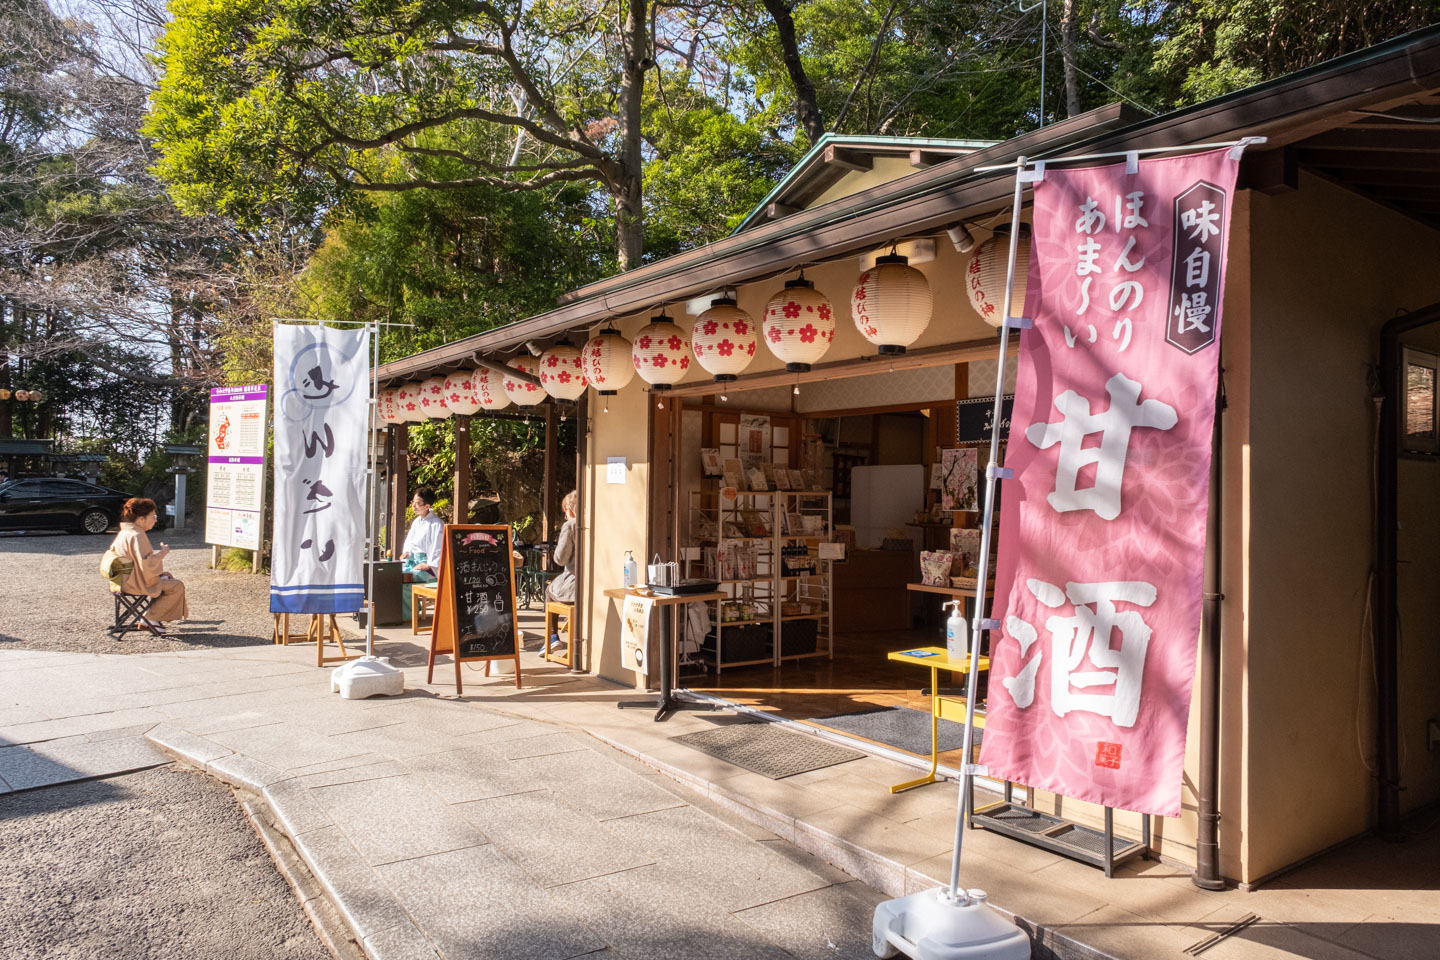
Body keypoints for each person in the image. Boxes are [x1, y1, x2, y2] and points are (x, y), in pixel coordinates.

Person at [105, 497, 188, 634]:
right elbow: (146, 565)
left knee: (167, 581)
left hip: (122, 580)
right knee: (176, 586)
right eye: (153, 516)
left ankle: (151, 618)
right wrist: (162, 553)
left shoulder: (125, 532)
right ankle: (150, 618)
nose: (155, 520)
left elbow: (140, 564)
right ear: (141, 519)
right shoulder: (137, 535)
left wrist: (160, 574)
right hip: (134, 583)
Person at [400, 487, 444, 621]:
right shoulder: (416, 522)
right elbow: (410, 542)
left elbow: (438, 547)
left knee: (405, 581)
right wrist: (407, 553)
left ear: (427, 506)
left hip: (428, 568)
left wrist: (429, 564)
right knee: (393, 575)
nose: (413, 506)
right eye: (413, 502)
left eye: (417, 503)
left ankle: (408, 615)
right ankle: (398, 612)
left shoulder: (437, 524)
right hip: (413, 561)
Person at [545, 490, 579, 653]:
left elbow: (560, 559)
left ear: (570, 509)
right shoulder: (596, 522)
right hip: (596, 584)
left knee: (549, 590)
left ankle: (552, 638)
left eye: (565, 511)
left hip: (574, 586)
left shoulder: (570, 525)